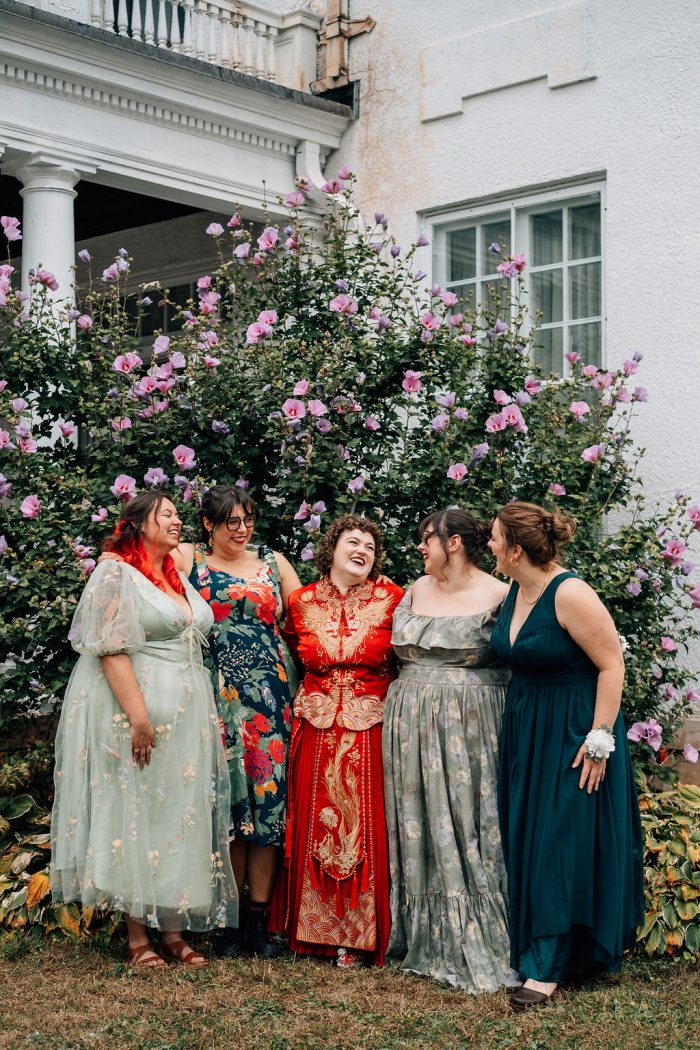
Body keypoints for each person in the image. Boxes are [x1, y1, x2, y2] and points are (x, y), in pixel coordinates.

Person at [51, 492, 238, 967]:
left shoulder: (174, 577)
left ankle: (173, 931)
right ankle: (138, 937)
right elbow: (110, 649)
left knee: (178, 814)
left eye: (177, 514)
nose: (177, 521)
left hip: (187, 711)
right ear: (138, 523)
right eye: (167, 514)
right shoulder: (116, 572)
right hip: (138, 708)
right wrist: (138, 719)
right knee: (135, 810)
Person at [488, 501, 644, 1009]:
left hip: (575, 728)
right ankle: (558, 946)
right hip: (528, 725)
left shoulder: (570, 593)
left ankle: (546, 966)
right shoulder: (516, 588)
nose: (487, 545)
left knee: (557, 839)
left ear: (515, 550)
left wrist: (599, 740)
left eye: (493, 538)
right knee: (531, 836)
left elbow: (612, 664)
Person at [383, 507, 519, 992]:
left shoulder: (502, 594)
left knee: (470, 819)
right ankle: (422, 929)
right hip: (409, 722)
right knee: (418, 818)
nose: (421, 548)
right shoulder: (415, 590)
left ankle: (481, 925)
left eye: (427, 539)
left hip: (472, 723)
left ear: (454, 543)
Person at [174, 484, 300, 957]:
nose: (242, 529)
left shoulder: (273, 561)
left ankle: (259, 924)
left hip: (270, 695)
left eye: (247, 520)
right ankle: (227, 921)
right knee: (226, 803)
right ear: (208, 524)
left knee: (268, 802)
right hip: (215, 694)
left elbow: (308, 614)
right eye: (231, 521)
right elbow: (142, 568)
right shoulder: (191, 559)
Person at [272, 515, 404, 966]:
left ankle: (360, 936)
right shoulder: (301, 602)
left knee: (363, 828)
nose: (362, 550)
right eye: (353, 541)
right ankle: (312, 933)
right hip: (316, 726)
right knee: (315, 823)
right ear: (332, 549)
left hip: (370, 729)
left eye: (370, 545)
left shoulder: (394, 600)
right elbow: (291, 654)